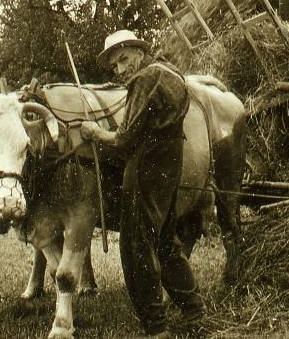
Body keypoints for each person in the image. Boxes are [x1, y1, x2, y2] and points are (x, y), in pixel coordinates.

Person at [80, 29, 205, 339]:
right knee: (165, 242)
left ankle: (156, 327)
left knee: (137, 247)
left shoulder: (145, 78)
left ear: (138, 51)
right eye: (115, 67)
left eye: (124, 60)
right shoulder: (171, 71)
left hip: (146, 166)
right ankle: (193, 310)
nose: (121, 71)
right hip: (171, 161)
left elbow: (123, 140)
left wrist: (94, 133)